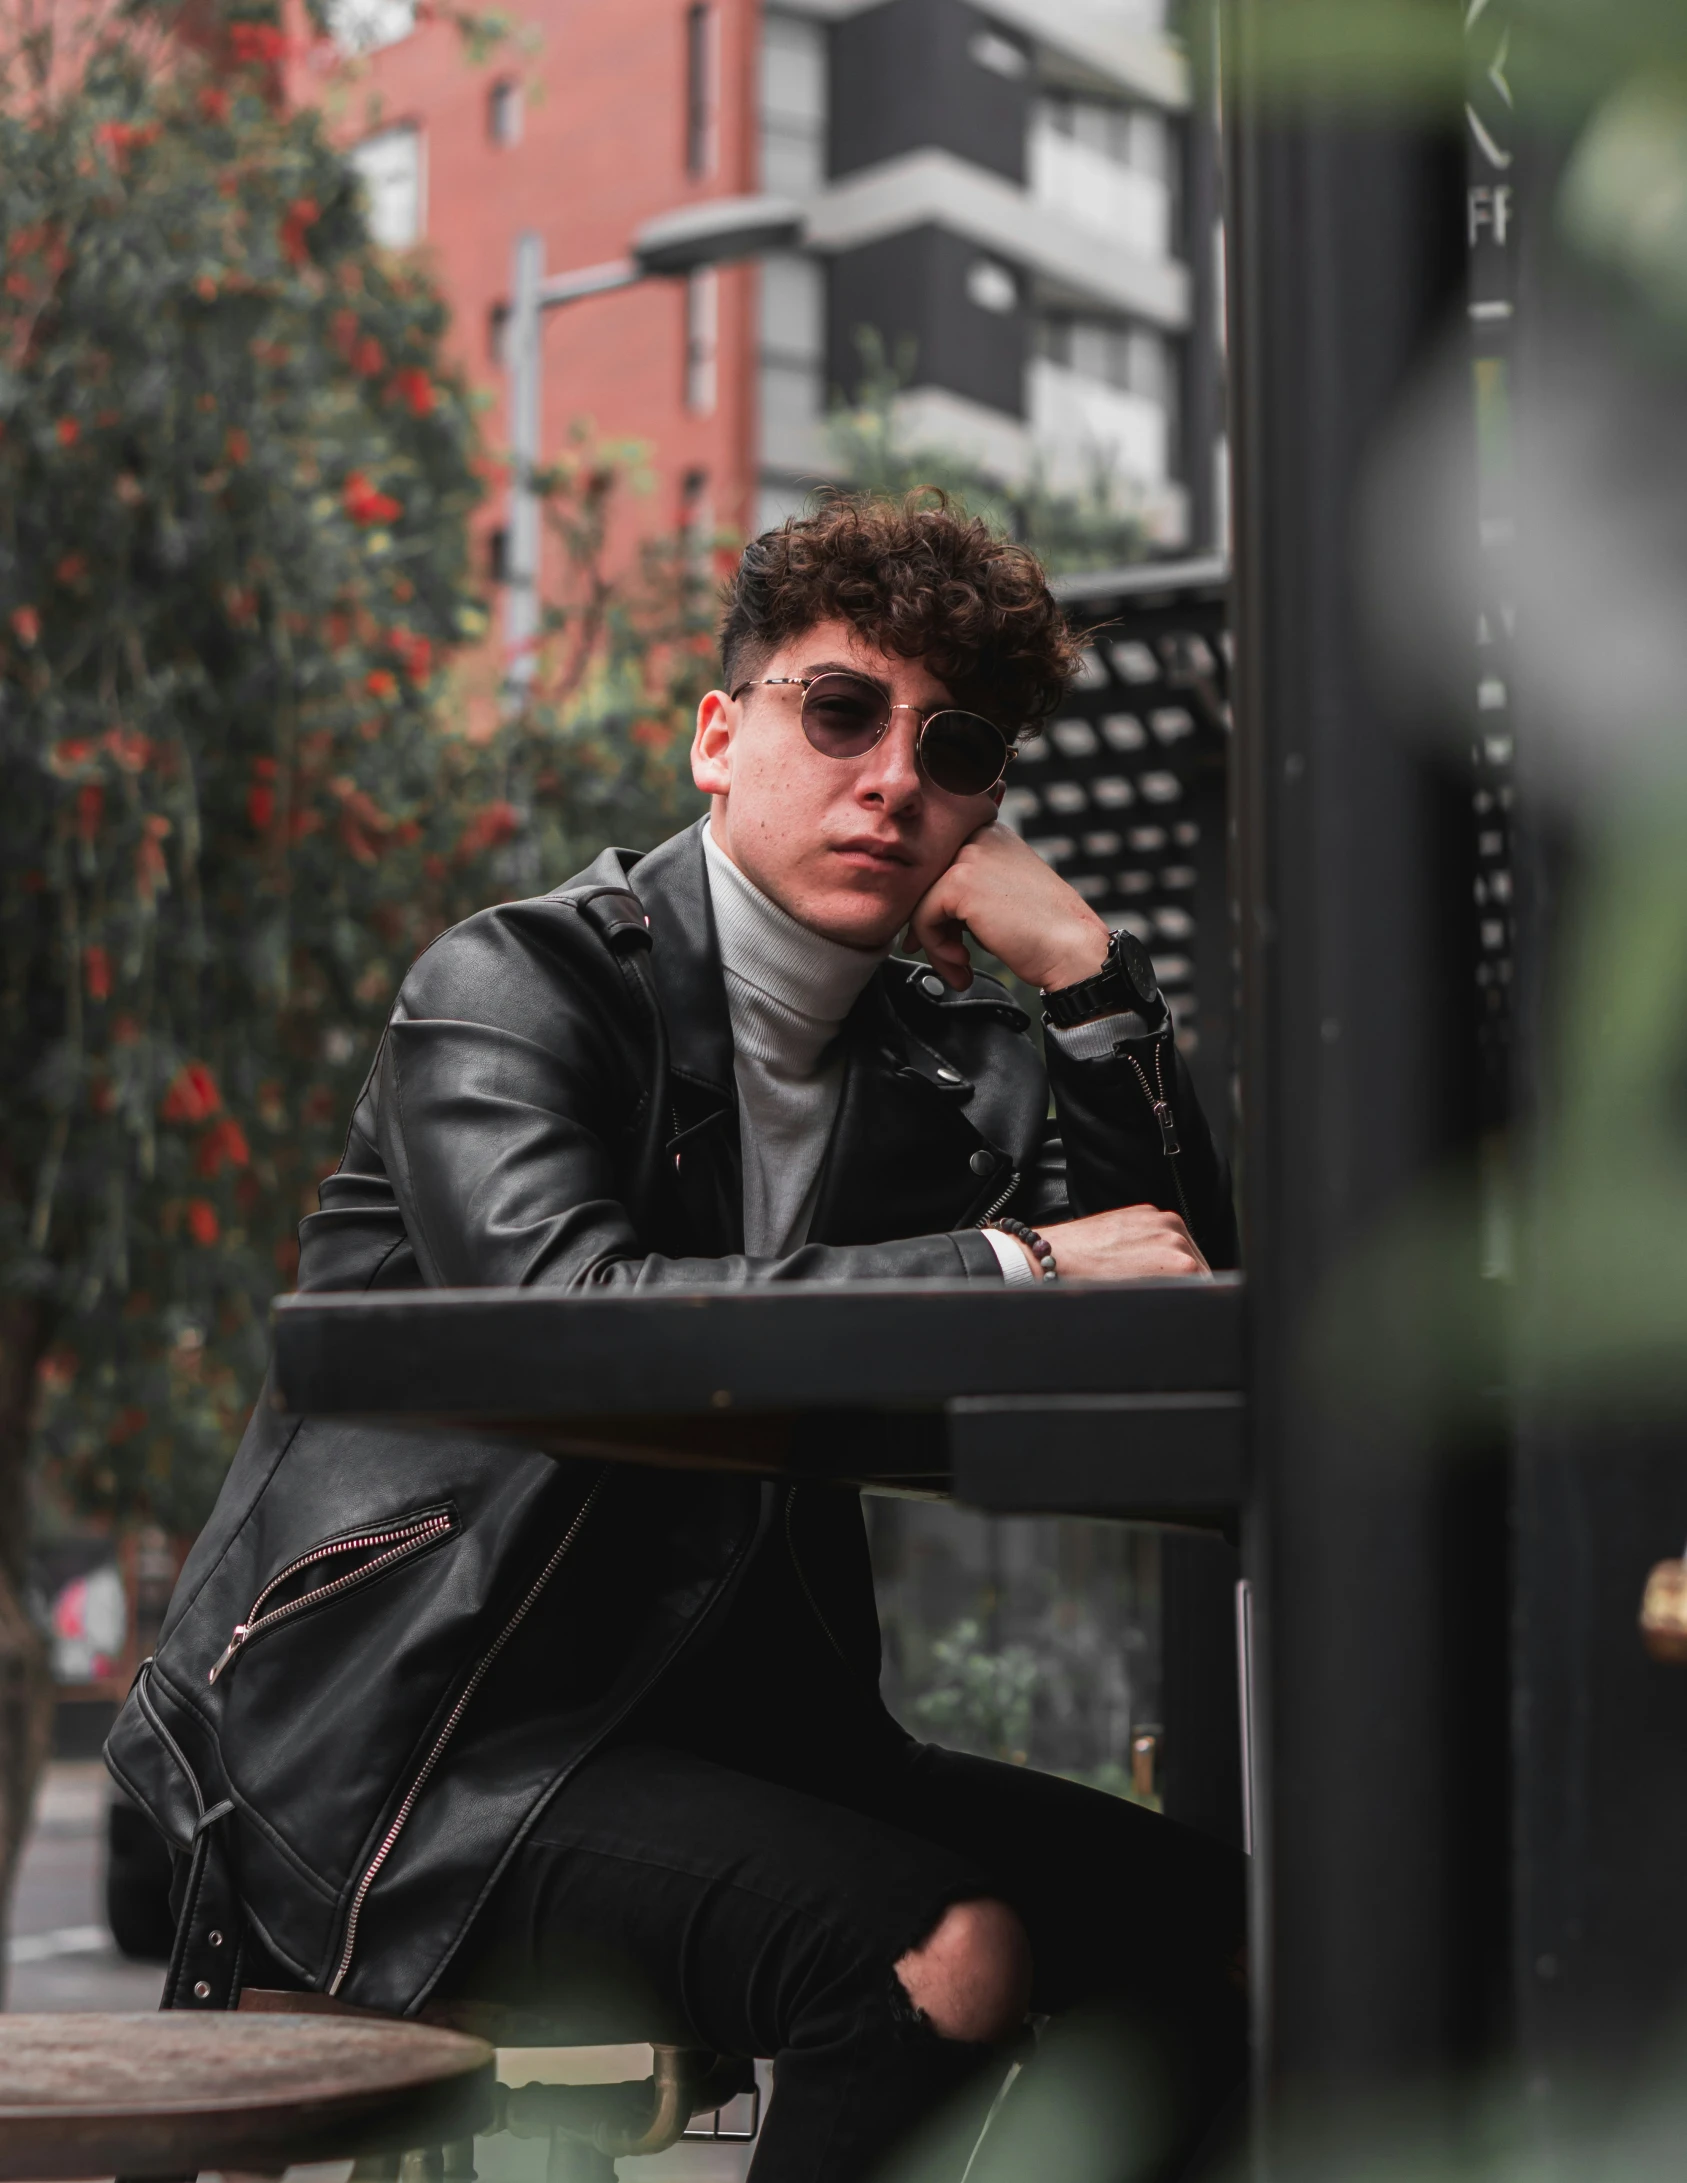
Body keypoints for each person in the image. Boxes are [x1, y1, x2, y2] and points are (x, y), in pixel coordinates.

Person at [107, 494, 1244, 2183]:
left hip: (724, 1740)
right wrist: (1010, 1266)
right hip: (388, 1761)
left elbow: (1166, 1301)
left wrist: (1084, 977)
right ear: (718, 737)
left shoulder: (946, 1068)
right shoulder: (514, 988)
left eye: (957, 746)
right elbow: (573, 1319)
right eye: (840, 709)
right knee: (935, 1951)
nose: (892, 777)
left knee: (1204, 1919)